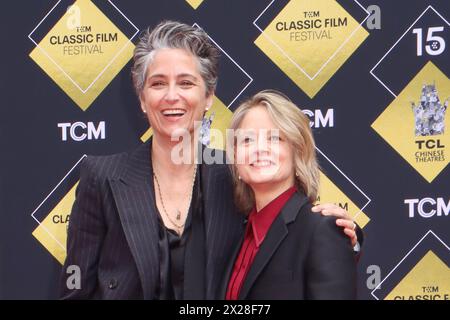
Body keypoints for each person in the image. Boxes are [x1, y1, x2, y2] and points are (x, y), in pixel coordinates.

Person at [59, 21, 361, 300]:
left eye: (187, 83)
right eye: (158, 83)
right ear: (141, 98)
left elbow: (284, 241)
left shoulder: (236, 175)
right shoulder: (102, 178)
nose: (172, 96)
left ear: (208, 98)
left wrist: (345, 236)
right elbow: (76, 290)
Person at [222, 90, 356, 300]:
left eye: (274, 138)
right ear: (236, 160)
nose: (260, 149)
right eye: (247, 140)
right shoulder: (236, 234)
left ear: (297, 153)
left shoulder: (322, 229)